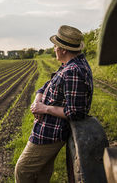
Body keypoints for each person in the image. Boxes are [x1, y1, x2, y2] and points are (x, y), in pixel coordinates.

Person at [15, 25, 93, 183]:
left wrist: (44, 108)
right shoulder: (68, 66)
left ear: (63, 50)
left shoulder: (73, 71)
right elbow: (46, 86)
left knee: (23, 169)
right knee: (42, 174)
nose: (54, 48)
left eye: (56, 46)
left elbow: (76, 112)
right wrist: (38, 100)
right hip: (48, 129)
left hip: (50, 134)